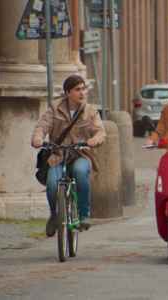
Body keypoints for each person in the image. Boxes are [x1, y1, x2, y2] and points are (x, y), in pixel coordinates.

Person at [31, 74, 106, 236]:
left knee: (80, 172)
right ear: (67, 93)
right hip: (58, 155)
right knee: (52, 184)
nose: (82, 93)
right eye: (77, 89)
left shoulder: (90, 111)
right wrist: (38, 138)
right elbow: (42, 126)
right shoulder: (55, 108)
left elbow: (100, 131)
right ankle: (54, 215)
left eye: (83, 89)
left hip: (81, 154)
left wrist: (94, 139)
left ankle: (84, 214)